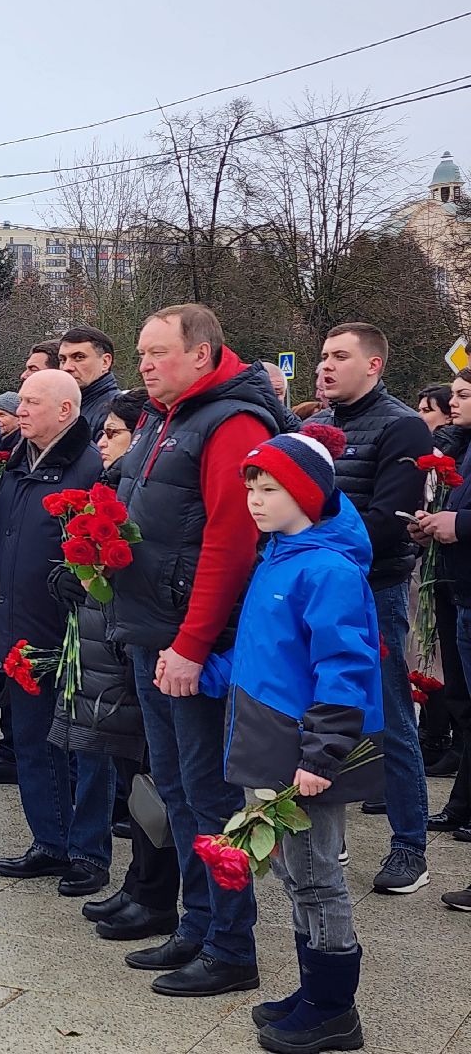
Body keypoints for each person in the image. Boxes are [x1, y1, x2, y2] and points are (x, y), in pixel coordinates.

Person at [106, 303, 281, 997]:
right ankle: (198, 921)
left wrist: (190, 644)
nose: (145, 364)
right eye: (142, 353)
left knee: (209, 796)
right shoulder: (166, 417)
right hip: (154, 633)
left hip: (194, 645)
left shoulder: (231, 422)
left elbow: (229, 544)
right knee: (175, 787)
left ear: (204, 356)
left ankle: (232, 947)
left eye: (159, 352)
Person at [232, 425, 383, 1054]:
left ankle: (334, 1008)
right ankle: (311, 988)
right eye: (252, 488)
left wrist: (324, 752)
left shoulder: (327, 571)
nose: (256, 500)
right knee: (295, 875)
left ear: (306, 494)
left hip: (308, 752)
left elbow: (344, 667)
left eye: (271, 488)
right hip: (273, 742)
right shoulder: (277, 558)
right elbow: (266, 654)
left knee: (320, 875)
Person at [307, 322, 432, 894]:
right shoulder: (317, 426)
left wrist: (319, 553)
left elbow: (390, 519)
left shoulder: (403, 427)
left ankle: (410, 845)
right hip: (314, 590)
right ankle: (328, 835)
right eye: (324, 356)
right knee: (322, 717)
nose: (326, 366)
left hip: (370, 590)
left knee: (387, 717)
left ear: (374, 366)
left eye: (340, 357)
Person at [0, 369, 115, 897]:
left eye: (33, 403)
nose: (21, 410)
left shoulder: (89, 469)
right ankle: (49, 840)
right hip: (19, 628)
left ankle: (88, 851)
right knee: (35, 742)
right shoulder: (18, 465)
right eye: (21, 401)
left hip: (74, 632)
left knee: (85, 747)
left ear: (65, 411)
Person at [65, 388, 182, 941]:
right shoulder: (114, 485)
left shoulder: (143, 494)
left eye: (112, 433)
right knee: (131, 768)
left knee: (155, 773)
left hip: (140, 642)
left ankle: (158, 892)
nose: (102, 442)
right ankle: (139, 882)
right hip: (113, 645)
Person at [415, 369, 471, 908]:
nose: (452, 404)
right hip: (460, 590)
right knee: (461, 698)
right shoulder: (464, 443)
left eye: (462, 395)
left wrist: (461, 524)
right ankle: (462, 803)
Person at [59, 326, 121, 435]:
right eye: (63, 359)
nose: (66, 367)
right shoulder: (61, 407)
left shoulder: (116, 412)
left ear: (105, 362)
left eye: (79, 357)